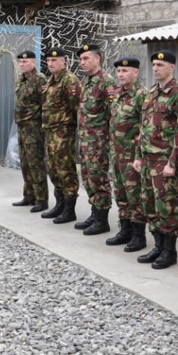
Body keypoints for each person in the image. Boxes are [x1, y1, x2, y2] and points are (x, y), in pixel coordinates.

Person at [133, 50, 178, 269]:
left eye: (161, 65)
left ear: (172, 67)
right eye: (154, 65)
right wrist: (138, 156)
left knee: (165, 206)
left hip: (164, 160)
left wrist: (173, 163)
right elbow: (143, 127)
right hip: (147, 158)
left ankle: (169, 250)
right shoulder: (151, 93)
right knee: (149, 204)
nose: (156, 68)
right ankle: (158, 245)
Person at [74, 44, 116, 236]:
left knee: (98, 179)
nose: (82, 62)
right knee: (88, 178)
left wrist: (109, 141)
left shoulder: (106, 83)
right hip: (86, 141)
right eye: (81, 59)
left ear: (97, 58)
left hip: (98, 143)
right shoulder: (88, 82)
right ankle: (94, 213)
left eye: (86, 58)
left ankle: (102, 220)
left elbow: (114, 114)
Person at [106, 57, 148, 247]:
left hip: (132, 155)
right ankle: (125, 230)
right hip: (117, 154)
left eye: (125, 71)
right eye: (119, 71)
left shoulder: (141, 95)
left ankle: (139, 235)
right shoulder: (117, 93)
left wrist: (139, 155)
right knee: (121, 193)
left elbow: (145, 128)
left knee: (135, 195)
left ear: (136, 73)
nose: (121, 74)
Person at [40, 47, 81, 224]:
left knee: (65, 169)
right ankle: (60, 204)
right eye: (48, 60)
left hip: (64, 133)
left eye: (54, 60)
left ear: (64, 61)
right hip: (51, 132)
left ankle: (69, 210)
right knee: (53, 168)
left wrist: (72, 129)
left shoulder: (69, 80)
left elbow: (76, 107)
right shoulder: (51, 80)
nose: (50, 64)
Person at [12, 50, 48, 212]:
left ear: (33, 63)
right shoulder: (21, 79)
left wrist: (42, 126)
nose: (22, 64)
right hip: (22, 127)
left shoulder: (39, 80)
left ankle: (41, 199)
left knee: (36, 163)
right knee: (25, 163)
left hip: (34, 128)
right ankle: (29, 196)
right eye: (20, 62)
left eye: (25, 62)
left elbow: (44, 104)